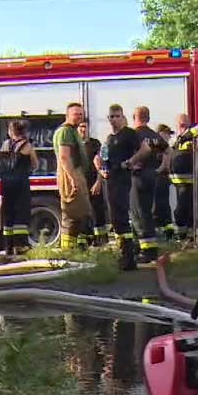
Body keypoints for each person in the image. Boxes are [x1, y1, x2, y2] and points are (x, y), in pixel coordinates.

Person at [99, 105, 149, 270]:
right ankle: (123, 254)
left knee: (121, 217)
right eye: (111, 116)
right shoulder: (109, 138)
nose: (114, 119)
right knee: (115, 219)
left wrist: (129, 162)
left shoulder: (129, 133)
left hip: (122, 180)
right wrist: (101, 169)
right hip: (110, 180)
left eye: (117, 116)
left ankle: (128, 257)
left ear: (123, 117)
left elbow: (145, 149)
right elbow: (100, 157)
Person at [129, 106, 168, 262]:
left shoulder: (133, 135)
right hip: (152, 177)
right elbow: (168, 151)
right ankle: (141, 247)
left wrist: (132, 163)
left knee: (138, 213)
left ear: (134, 117)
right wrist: (162, 167)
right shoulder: (154, 136)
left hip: (137, 178)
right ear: (148, 118)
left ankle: (148, 252)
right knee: (146, 211)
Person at [52, 102, 93, 250]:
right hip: (70, 174)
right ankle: (69, 250)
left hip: (77, 173)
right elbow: (64, 157)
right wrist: (72, 179)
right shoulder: (65, 131)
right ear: (67, 115)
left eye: (81, 114)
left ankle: (78, 248)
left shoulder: (73, 131)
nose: (79, 117)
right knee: (73, 214)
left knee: (82, 212)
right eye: (76, 114)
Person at [0, 120, 37, 255]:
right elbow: (35, 164)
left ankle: (8, 246)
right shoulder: (27, 146)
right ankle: (21, 245)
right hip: (20, 183)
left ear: (10, 132)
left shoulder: (5, 145)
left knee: (8, 214)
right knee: (21, 213)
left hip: (6, 184)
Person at [78, 119, 109, 246]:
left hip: (94, 182)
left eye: (84, 127)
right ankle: (83, 242)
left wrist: (98, 182)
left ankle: (101, 241)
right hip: (80, 184)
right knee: (82, 212)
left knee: (98, 211)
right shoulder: (73, 145)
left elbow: (101, 164)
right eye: (80, 127)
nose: (82, 129)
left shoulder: (95, 144)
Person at [155, 124, 176, 243]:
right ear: (161, 133)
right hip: (159, 179)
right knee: (160, 205)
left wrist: (155, 171)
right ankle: (165, 232)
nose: (169, 137)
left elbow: (165, 165)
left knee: (161, 205)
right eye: (167, 134)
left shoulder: (165, 148)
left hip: (161, 178)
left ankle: (166, 232)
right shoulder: (158, 146)